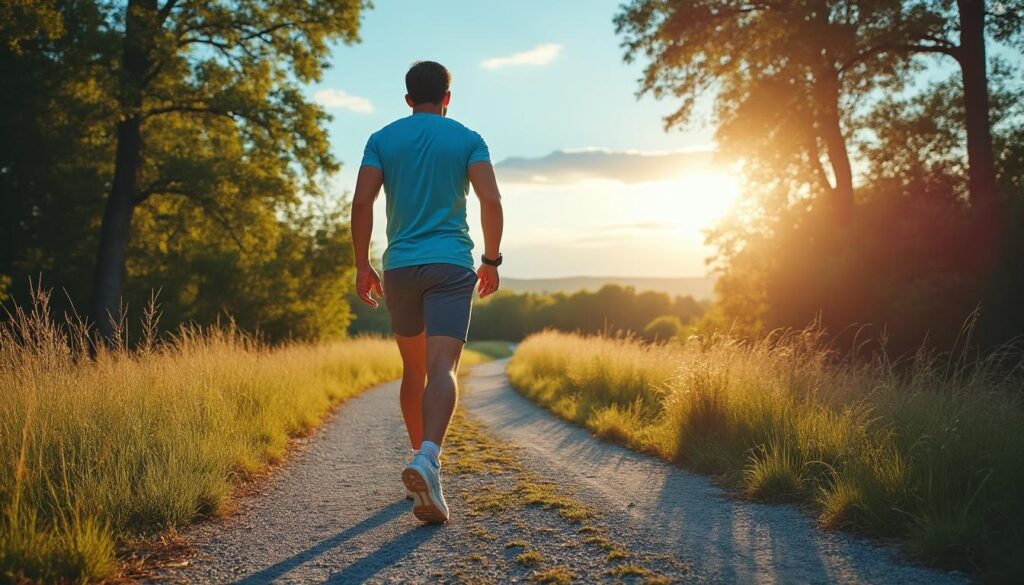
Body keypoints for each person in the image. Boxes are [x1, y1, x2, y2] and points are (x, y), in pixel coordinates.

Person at [349, 61, 504, 524]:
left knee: (412, 369)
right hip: (451, 266)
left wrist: (362, 265)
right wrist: (491, 260)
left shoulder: (382, 139)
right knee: (443, 368)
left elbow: (361, 203)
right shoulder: (467, 138)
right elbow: (491, 201)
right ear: (448, 97)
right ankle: (428, 460)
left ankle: (420, 455)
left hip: (399, 267)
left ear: (408, 98)